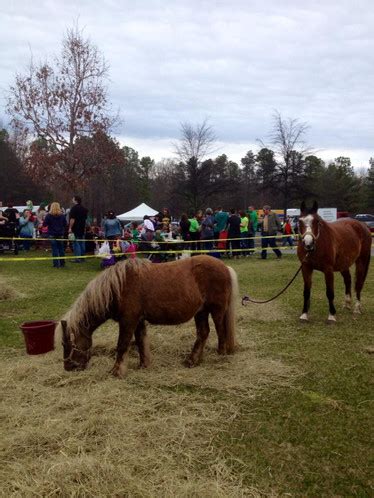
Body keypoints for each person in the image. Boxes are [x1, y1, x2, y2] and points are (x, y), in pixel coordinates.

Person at [43, 202, 67, 267]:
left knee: (54, 249)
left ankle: (56, 264)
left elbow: (44, 224)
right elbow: (65, 224)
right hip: (60, 234)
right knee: (61, 249)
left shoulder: (48, 215)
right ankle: (62, 263)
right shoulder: (62, 216)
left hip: (52, 234)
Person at [68, 195, 88, 262]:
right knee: (82, 243)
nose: (72, 200)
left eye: (73, 199)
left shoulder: (74, 208)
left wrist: (70, 227)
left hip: (75, 228)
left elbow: (72, 219)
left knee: (76, 243)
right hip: (82, 228)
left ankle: (77, 258)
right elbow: (85, 219)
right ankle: (82, 257)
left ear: (76, 200)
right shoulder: (84, 209)